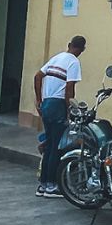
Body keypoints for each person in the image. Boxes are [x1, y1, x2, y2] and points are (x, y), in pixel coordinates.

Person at [33, 35, 85, 198]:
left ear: (69, 45)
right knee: (57, 146)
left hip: (47, 104)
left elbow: (37, 76)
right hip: (57, 107)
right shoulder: (74, 62)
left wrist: (39, 100)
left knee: (49, 144)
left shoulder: (57, 58)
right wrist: (70, 109)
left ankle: (42, 185)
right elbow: (69, 88)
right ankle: (51, 185)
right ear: (82, 50)